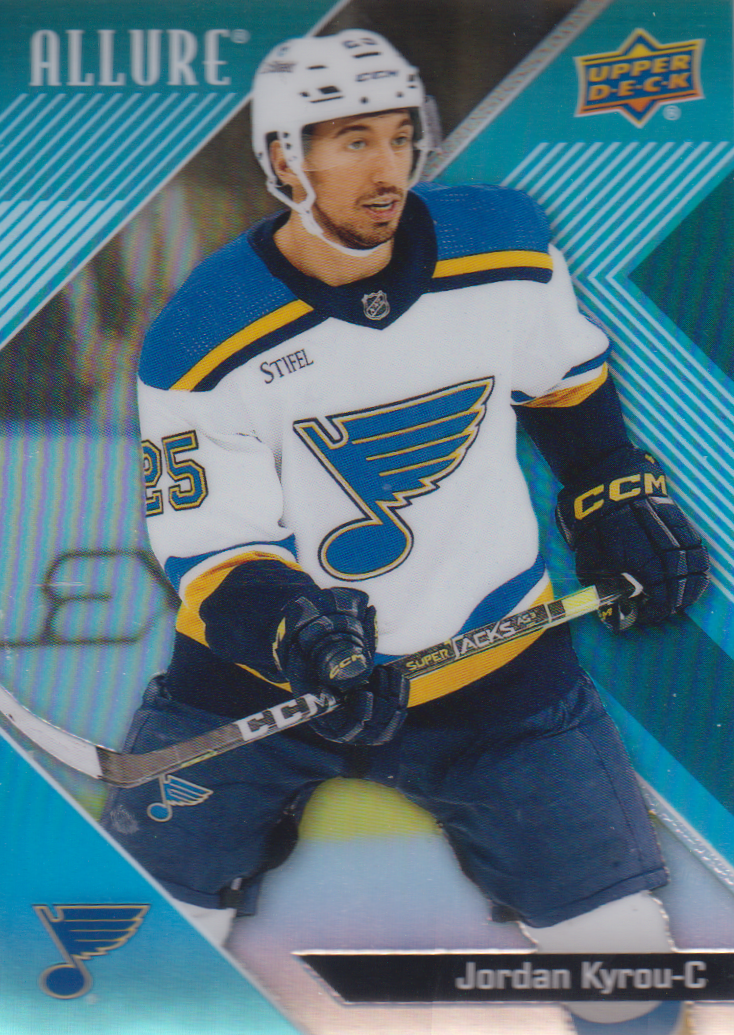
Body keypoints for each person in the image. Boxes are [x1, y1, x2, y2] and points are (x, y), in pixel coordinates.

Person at [101, 30, 709, 1034]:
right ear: (283, 159)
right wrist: (302, 635)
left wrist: (609, 487)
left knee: (630, 977)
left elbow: (564, 383)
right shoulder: (201, 333)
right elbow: (212, 548)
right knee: (122, 954)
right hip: (261, 686)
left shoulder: (502, 247)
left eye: (397, 136)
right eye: (352, 142)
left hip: (496, 663)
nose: (387, 169)